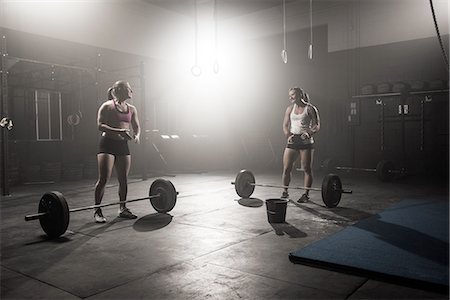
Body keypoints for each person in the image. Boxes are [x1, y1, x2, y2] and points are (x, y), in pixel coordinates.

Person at [94, 80, 141, 223]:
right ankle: (97, 210)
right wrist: (119, 131)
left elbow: (137, 126)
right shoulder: (107, 106)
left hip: (123, 145)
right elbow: (100, 126)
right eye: (128, 88)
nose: (131, 91)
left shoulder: (132, 109)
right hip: (107, 144)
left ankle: (122, 208)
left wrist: (137, 136)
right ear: (119, 90)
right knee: (104, 179)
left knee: (124, 179)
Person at [282, 87, 320, 202]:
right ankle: (285, 192)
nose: (290, 97)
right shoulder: (289, 109)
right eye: (290, 95)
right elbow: (285, 125)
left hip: (306, 141)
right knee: (286, 168)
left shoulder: (310, 108)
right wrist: (288, 135)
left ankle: (306, 195)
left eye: (292, 95)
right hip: (293, 140)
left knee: (307, 169)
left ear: (299, 95)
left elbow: (317, 125)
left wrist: (309, 133)